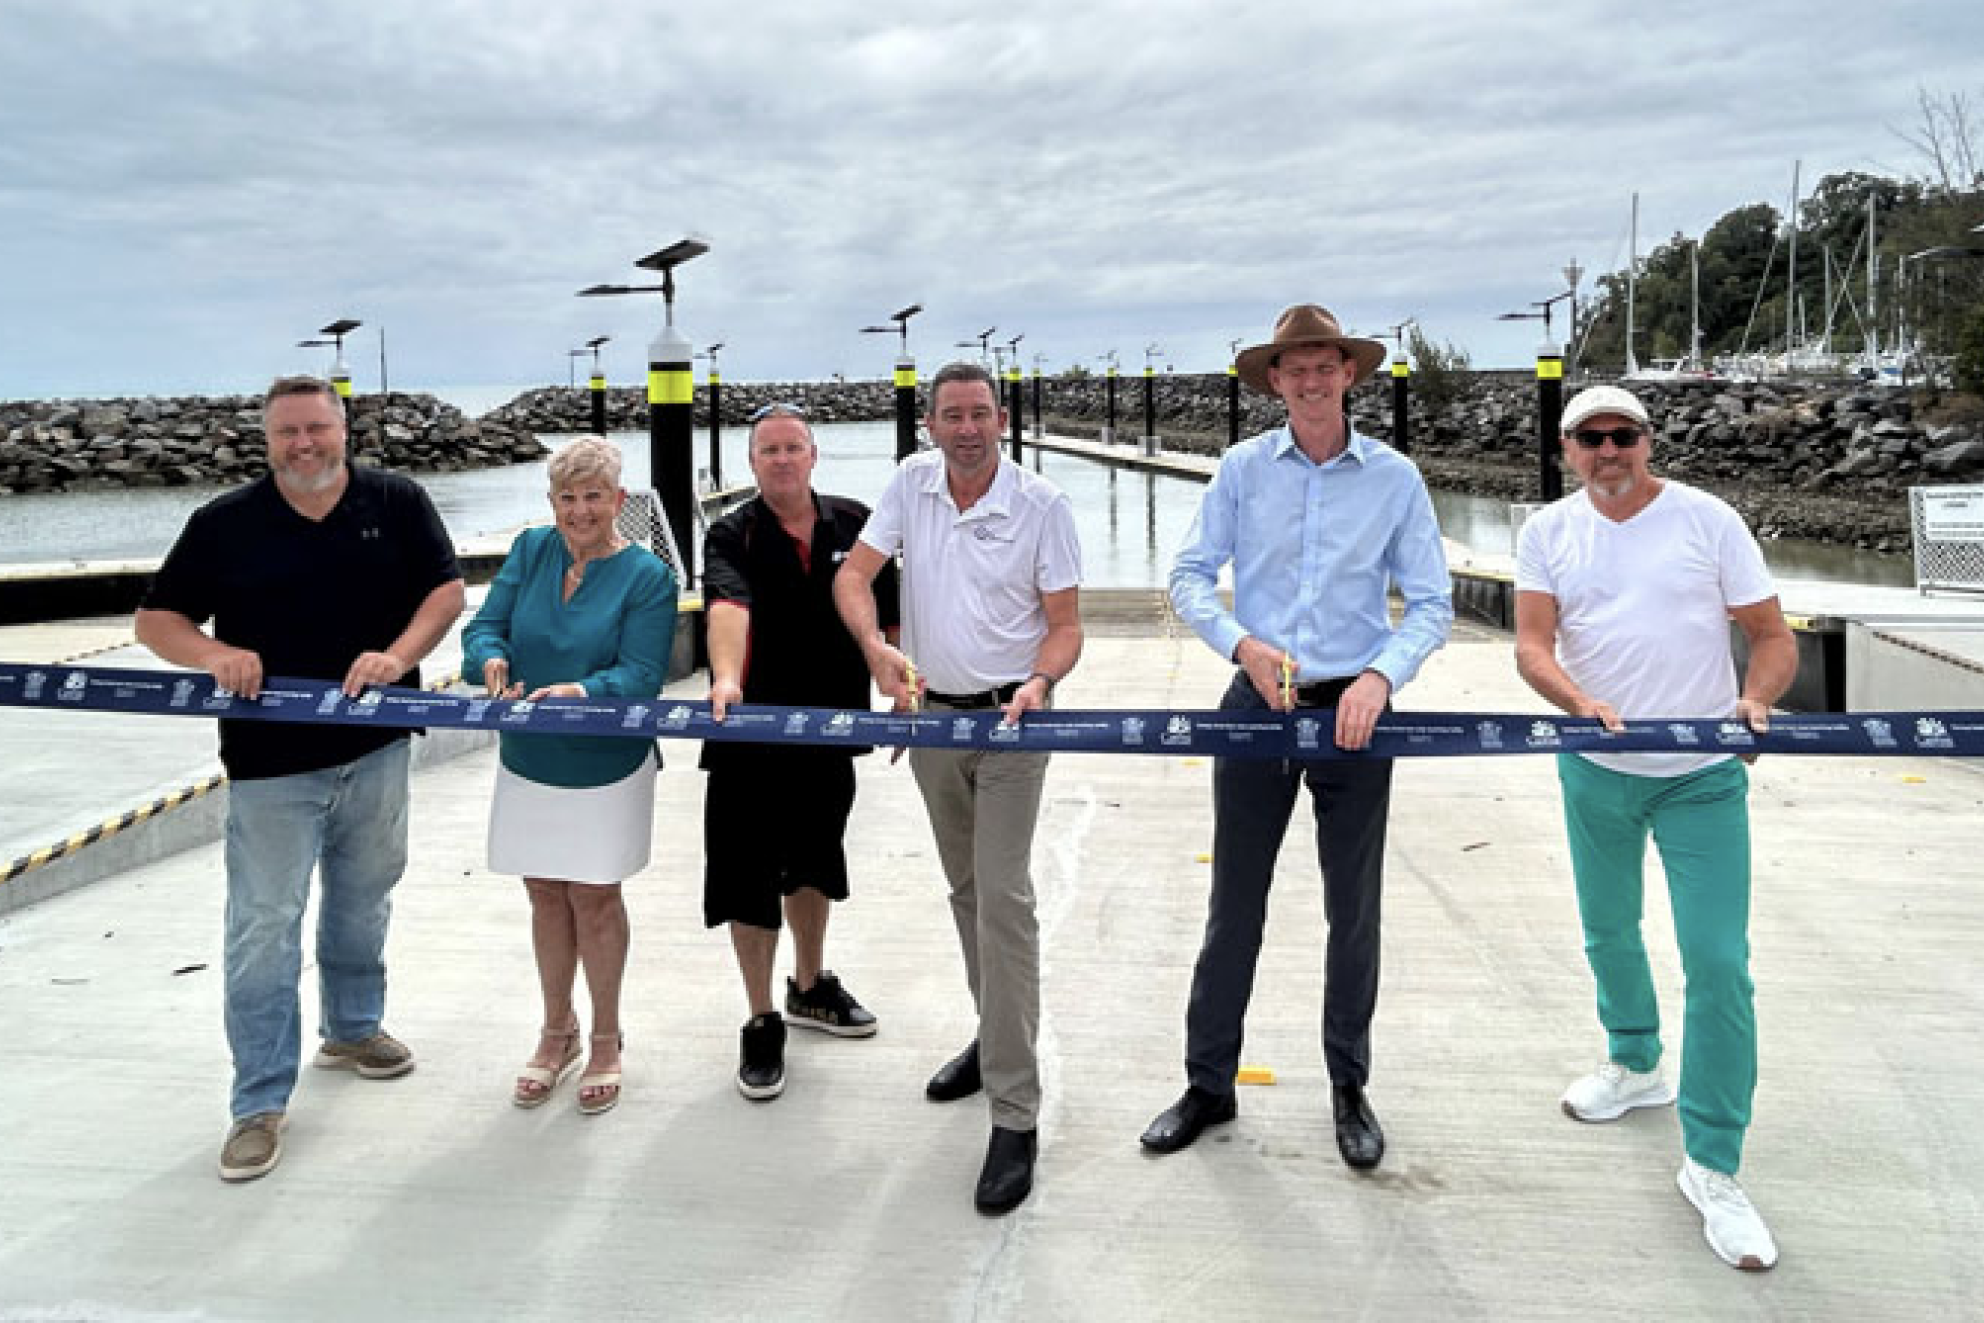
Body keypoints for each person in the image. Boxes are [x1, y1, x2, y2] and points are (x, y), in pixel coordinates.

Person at [135, 375, 465, 1183]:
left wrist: (400, 657)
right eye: (287, 432)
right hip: (269, 767)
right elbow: (155, 620)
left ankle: (352, 1028)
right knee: (263, 927)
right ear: (267, 438)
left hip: (380, 748)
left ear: (343, 429)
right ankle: (257, 1101)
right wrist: (213, 655)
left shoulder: (397, 500)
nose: (303, 444)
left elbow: (446, 591)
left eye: (317, 428)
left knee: (364, 896)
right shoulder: (224, 523)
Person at [1149, 305, 1452, 1171]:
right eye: (1296, 369)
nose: (1312, 381)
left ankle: (1348, 1086)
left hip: (1355, 711)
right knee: (1233, 905)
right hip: (1256, 705)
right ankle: (1208, 1083)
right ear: (1274, 381)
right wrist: (1242, 644)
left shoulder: (1395, 479)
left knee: (1351, 912)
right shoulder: (1242, 471)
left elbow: (1431, 602)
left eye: (1327, 366)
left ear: (1349, 375)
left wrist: (1381, 676)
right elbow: (1189, 574)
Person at [1514, 384, 1796, 1272]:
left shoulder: (1709, 520)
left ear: (1647, 440)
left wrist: (1755, 697)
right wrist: (1576, 700)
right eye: (1590, 438)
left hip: (1702, 778)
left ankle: (1714, 1164)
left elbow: (1771, 634)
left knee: (1718, 962)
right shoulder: (1546, 532)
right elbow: (1531, 644)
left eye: (1623, 435)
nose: (1609, 450)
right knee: (1608, 929)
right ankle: (1636, 1062)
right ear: (1567, 449)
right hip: (1595, 769)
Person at [833, 361, 1082, 1216]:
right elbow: (853, 577)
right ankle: (993, 1034)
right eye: (952, 416)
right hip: (934, 718)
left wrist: (1042, 681)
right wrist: (877, 650)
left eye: (980, 414)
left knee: (1004, 897)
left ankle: (1015, 1111)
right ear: (930, 424)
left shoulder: (1042, 505)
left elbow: (1066, 623)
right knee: (968, 889)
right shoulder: (910, 483)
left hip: (1014, 722)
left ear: (1001, 420)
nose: (967, 428)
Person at [461, 437, 677, 1117]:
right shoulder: (531, 551)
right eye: (567, 497)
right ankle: (558, 1031)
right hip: (529, 755)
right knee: (545, 894)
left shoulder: (648, 576)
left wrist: (580, 693)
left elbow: (641, 675)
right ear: (550, 502)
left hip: (604, 761)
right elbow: (482, 630)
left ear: (619, 500)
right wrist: (491, 659)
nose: (580, 510)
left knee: (594, 896)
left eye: (593, 496)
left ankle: (608, 1038)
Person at [701, 404, 898, 1101]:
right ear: (751, 464)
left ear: (814, 454)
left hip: (832, 727)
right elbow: (729, 606)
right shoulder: (732, 532)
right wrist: (726, 677)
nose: (781, 459)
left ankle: (809, 985)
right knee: (747, 876)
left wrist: (904, 682)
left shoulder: (855, 521)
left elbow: (890, 606)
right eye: (767, 451)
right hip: (748, 733)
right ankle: (761, 1017)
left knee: (816, 861)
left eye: (792, 447)